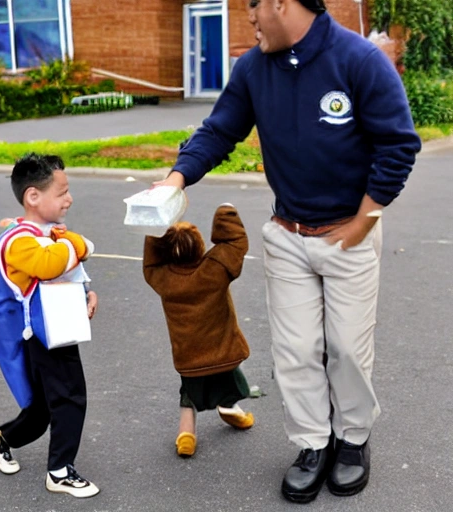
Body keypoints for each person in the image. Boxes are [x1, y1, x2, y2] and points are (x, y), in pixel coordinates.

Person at [153, 0, 421, 503]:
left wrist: (366, 218)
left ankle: (353, 440)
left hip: (350, 232)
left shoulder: (358, 60)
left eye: (253, 7)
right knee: (296, 352)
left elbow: (398, 145)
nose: (248, 17)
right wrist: (175, 178)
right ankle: (313, 444)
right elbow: (220, 129)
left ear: (280, 3)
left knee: (346, 350)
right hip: (288, 233)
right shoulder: (253, 67)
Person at [0, 153, 100, 498]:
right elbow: (50, 265)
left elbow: (65, 271)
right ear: (33, 196)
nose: (69, 198)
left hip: (53, 327)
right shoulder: (20, 240)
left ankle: (0, 439)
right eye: (62, 192)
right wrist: (80, 243)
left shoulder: (44, 233)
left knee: (45, 407)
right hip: (43, 335)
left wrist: (86, 294)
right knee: (69, 397)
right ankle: (60, 472)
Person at [143, 204, 255, 457]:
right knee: (229, 381)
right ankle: (229, 407)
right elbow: (234, 244)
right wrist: (226, 213)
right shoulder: (213, 270)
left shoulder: (164, 278)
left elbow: (151, 263)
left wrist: (155, 226)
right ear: (200, 246)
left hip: (189, 356)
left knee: (189, 394)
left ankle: (186, 435)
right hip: (223, 351)